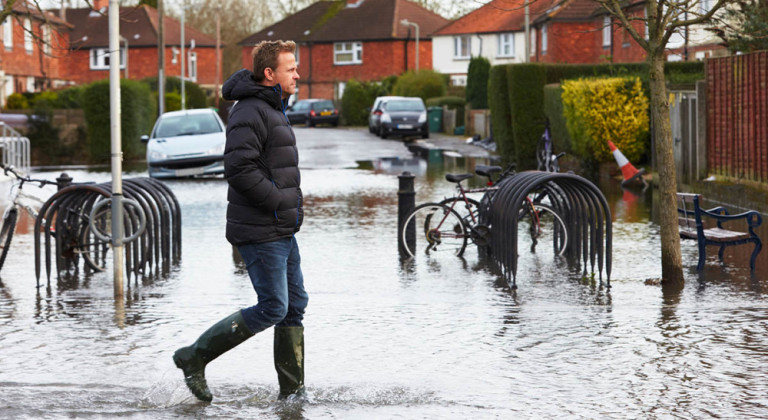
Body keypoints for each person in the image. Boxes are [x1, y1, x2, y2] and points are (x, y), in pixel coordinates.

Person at [173, 40, 307, 403]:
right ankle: (195, 355)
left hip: (281, 227)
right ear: (270, 74)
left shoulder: (272, 107)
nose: (298, 74)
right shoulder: (250, 110)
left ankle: (293, 396)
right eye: (290, 68)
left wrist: (288, 208)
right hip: (261, 228)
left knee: (294, 306)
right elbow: (238, 168)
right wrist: (279, 201)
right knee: (273, 307)